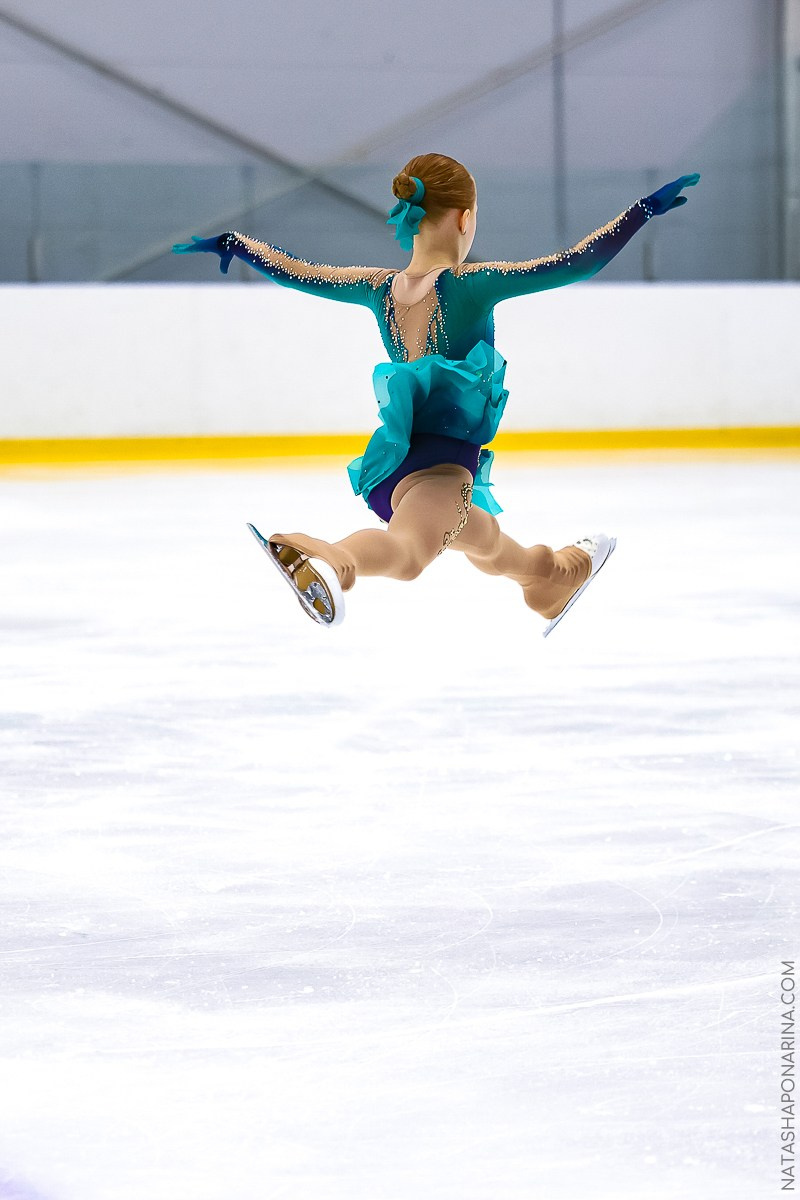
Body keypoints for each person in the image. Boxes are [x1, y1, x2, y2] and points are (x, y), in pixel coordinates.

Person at [173, 154, 699, 634]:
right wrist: (639, 213)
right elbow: (575, 262)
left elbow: (298, 273)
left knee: (487, 543)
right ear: (465, 219)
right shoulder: (471, 285)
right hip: (442, 470)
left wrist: (237, 245)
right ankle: (331, 560)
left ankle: (551, 578)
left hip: (396, 468)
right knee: (408, 555)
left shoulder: (379, 288)